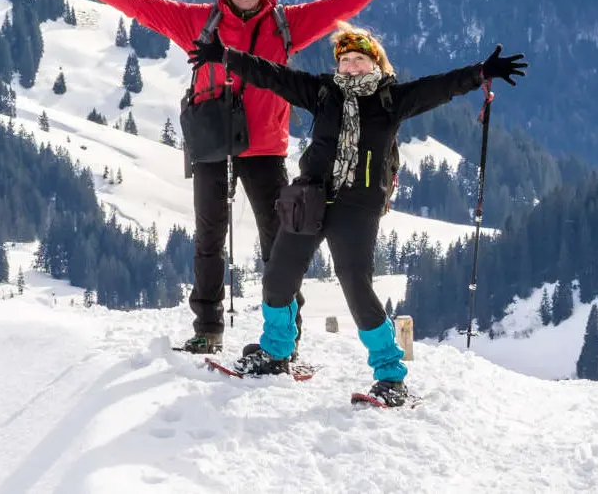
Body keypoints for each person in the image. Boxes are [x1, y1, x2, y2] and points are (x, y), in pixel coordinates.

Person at [44, 0, 428, 354]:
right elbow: (138, 4)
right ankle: (207, 327)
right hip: (211, 139)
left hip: (264, 147)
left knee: (279, 240)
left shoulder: (287, 23)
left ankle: (286, 332)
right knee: (209, 236)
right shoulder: (197, 20)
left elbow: (343, 3)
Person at [189, 24, 527, 406]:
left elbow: (440, 87)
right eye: (345, 60)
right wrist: (227, 57)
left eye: (358, 59)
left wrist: (480, 72)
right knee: (279, 275)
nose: (350, 66)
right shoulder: (323, 92)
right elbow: (274, 75)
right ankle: (277, 353)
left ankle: (390, 376)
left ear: (374, 62)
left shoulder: (392, 99)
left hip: (358, 206)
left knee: (355, 286)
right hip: (310, 196)